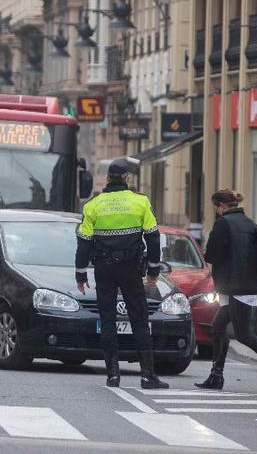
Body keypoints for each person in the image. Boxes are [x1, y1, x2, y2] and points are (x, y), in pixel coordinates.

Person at [75, 158, 169, 389]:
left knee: (107, 320)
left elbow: (84, 242)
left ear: (107, 179)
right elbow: (153, 237)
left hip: (104, 270)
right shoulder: (140, 202)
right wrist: (154, 269)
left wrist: (80, 274)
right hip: (131, 269)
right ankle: (148, 375)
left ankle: (113, 375)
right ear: (127, 178)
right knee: (139, 318)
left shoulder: (93, 205)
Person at [196, 189, 257, 390]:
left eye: (215, 208)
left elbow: (211, 255)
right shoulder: (250, 224)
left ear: (220, 206)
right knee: (219, 326)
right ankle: (216, 376)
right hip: (242, 286)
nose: (216, 212)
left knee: (245, 335)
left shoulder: (223, 224)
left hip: (234, 286)